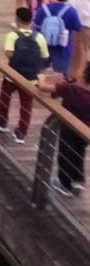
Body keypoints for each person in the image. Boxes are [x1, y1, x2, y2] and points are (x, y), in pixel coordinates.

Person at [0, 7, 49, 143]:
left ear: (17, 19)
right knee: (26, 105)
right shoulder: (39, 37)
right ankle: (21, 132)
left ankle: (2, 122)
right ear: (30, 20)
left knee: (4, 98)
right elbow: (45, 56)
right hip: (31, 77)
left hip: (13, 74)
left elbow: (9, 53)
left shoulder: (13, 35)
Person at [40, 63, 90, 197]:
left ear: (83, 74)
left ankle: (64, 184)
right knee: (79, 153)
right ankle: (78, 179)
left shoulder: (70, 89)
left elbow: (44, 88)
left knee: (65, 154)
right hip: (85, 130)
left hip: (68, 128)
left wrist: (41, 78)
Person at [34, 0, 83, 77]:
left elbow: (36, 24)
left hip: (43, 45)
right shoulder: (71, 11)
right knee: (61, 75)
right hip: (63, 48)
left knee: (40, 72)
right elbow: (78, 27)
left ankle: (37, 90)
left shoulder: (43, 9)